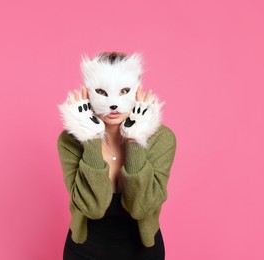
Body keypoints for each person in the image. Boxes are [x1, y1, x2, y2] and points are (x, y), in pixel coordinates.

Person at [57, 51, 176, 259]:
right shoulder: (70, 141)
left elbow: (143, 207)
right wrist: (90, 139)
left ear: (137, 89)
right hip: (84, 251)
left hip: (142, 251)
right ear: (87, 92)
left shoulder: (162, 139)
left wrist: (136, 140)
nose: (113, 104)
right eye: (102, 92)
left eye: (124, 91)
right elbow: (92, 208)